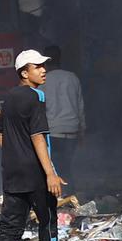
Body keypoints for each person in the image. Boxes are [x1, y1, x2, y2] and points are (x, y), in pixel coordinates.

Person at [0, 51, 65, 241]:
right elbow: (38, 136)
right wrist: (50, 173)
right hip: (36, 175)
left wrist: (13, 154)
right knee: (47, 224)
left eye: (44, 66)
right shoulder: (36, 96)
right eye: (37, 66)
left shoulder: (9, 98)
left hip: (13, 174)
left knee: (10, 229)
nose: (43, 70)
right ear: (24, 73)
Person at [41, 45, 85, 183]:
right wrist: (82, 131)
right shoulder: (72, 78)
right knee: (68, 167)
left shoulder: (43, 81)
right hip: (72, 129)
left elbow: (40, 109)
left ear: (45, 61)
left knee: (55, 168)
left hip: (52, 132)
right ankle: (70, 193)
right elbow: (80, 106)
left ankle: (62, 197)